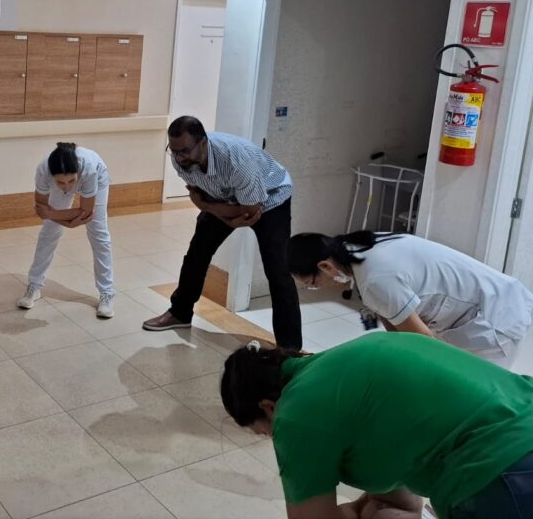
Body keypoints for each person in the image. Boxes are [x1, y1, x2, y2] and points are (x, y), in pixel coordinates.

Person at [221, 333, 533, 519]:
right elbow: (403, 500)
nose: (274, 437)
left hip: (501, 471)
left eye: (265, 431)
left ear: (268, 407)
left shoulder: (295, 412)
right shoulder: (342, 368)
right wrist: (363, 508)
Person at [143, 116, 302, 350]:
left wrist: (207, 206)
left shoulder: (238, 162)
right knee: (197, 253)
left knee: (277, 269)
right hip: (223, 200)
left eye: (185, 151)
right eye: (174, 151)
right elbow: (200, 195)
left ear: (203, 143)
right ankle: (180, 313)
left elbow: (250, 212)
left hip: (271, 198)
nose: (179, 157)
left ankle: (289, 348)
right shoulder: (180, 160)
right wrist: (214, 210)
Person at [289, 230, 533, 369]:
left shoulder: (374, 279)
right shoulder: (359, 244)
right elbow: (393, 320)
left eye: (312, 283)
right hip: (486, 299)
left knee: (479, 395)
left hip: (495, 320)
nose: (316, 288)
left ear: (325, 266)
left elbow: (422, 341)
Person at [18, 142, 115, 318]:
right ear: (52, 176)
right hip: (65, 185)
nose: (67, 186)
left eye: (71, 180)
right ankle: (34, 286)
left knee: (98, 234)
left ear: (77, 172)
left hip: (97, 179)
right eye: (60, 182)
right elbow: (41, 209)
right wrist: (59, 219)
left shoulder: (89, 169)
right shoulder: (43, 170)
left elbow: (86, 213)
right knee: (49, 231)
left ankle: (107, 293)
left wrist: (52, 214)